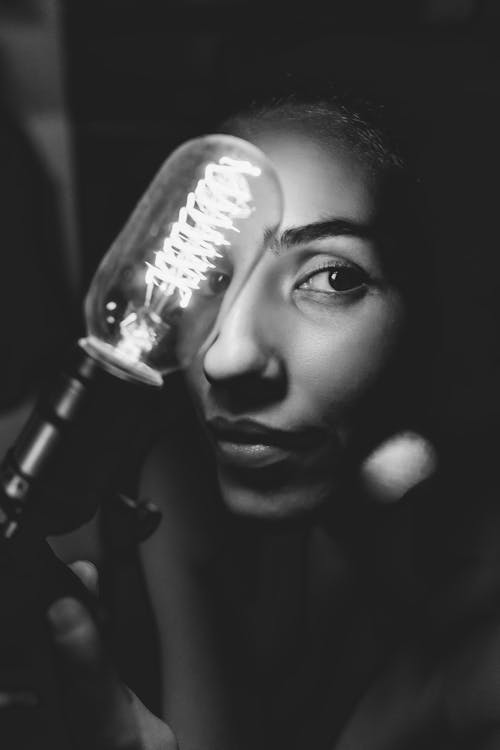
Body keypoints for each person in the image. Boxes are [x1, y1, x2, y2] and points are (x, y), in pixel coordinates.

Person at [46, 92, 500, 750]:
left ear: (446, 310)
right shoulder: (182, 484)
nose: (226, 355)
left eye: (333, 276)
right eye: (210, 273)